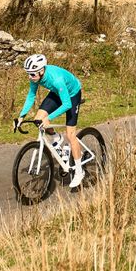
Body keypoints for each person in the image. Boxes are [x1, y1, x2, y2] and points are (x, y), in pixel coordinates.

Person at [13, 54, 87, 188]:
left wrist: (49, 118)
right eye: (28, 74)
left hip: (72, 95)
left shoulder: (56, 79)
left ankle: (79, 171)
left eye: (33, 74)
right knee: (38, 119)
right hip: (56, 92)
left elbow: (67, 104)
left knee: (70, 135)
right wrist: (21, 116)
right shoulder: (36, 77)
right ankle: (55, 138)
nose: (30, 77)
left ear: (41, 71)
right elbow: (31, 95)